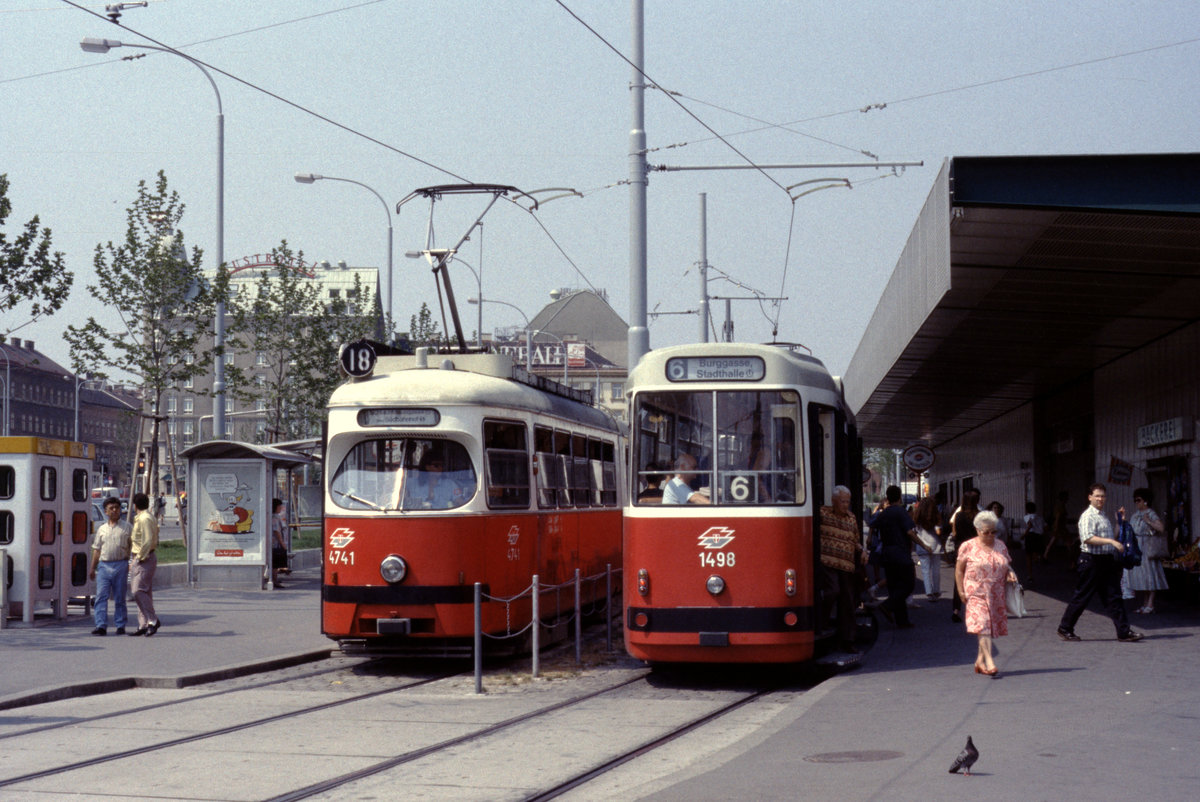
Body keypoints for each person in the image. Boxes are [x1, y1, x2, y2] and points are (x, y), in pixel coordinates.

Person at [1057, 483, 1143, 643]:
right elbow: (1088, 538)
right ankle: (1065, 628)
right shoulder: (1088, 516)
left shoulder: (1103, 516)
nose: (1100, 499)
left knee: (1114, 597)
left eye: (1103, 496)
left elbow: (1113, 536)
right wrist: (1111, 541)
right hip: (1091, 561)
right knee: (1082, 597)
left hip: (1106, 561)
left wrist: (1119, 522)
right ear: (1090, 497)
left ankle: (1124, 632)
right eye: (1097, 496)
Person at [954, 510, 1017, 676]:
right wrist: (960, 590)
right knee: (982, 624)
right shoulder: (967, 546)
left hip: (996, 593)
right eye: (986, 532)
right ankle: (990, 661)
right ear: (977, 530)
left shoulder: (1000, 545)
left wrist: (1010, 573)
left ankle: (979, 661)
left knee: (988, 627)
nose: (990, 535)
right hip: (975, 592)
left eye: (993, 532)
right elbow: (959, 570)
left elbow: (1006, 565)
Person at [867, 485, 920, 628]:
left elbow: (872, 523)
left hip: (887, 554)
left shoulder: (883, 513)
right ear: (900, 497)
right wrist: (924, 545)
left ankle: (902, 621)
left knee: (894, 586)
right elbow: (909, 532)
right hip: (901, 553)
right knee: (908, 584)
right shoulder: (901, 512)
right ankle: (887, 606)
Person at [820, 485, 863, 653]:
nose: (846, 505)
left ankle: (847, 640)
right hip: (828, 563)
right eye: (842, 501)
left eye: (847, 502)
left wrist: (863, 550)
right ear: (834, 501)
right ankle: (822, 622)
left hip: (846, 565)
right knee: (832, 591)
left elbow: (855, 540)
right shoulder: (823, 513)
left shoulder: (851, 518)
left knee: (848, 602)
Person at [88, 496, 132, 636]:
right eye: (111, 508)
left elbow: (133, 547)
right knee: (101, 596)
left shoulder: (127, 527)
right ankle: (101, 625)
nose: (114, 511)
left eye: (117, 508)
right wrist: (92, 568)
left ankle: (120, 625)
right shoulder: (101, 529)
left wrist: (131, 563)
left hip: (121, 565)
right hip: (104, 566)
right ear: (106, 511)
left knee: (120, 597)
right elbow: (97, 550)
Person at [1125, 488, 1168, 614]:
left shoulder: (1150, 513)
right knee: (1142, 576)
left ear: (1146, 501)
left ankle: (1150, 603)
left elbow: (1161, 528)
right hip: (1138, 546)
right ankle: (1145, 603)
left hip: (1148, 547)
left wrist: (1148, 521)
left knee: (1150, 574)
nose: (1136, 503)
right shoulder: (1135, 515)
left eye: (1139, 500)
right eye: (1135, 500)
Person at [127, 492, 161, 637]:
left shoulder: (145, 519)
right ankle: (144, 624)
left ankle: (153, 619)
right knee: (144, 592)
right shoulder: (143, 518)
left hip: (144, 558)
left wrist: (139, 558)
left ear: (135, 505)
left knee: (137, 591)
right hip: (141, 557)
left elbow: (147, 540)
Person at [950, 489, 981, 623]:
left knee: (959, 580)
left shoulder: (959, 516)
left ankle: (956, 611)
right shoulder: (979, 516)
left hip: (962, 549)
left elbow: (955, 534)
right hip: (977, 550)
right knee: (977, 580)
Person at [912, 494, 944, 600]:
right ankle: (936, 590)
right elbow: (939, 531)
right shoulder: (936, 517)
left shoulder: (917, 517)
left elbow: (914, 532)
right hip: (935, 546)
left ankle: (928, 592)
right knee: (936, 570)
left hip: (922, 546)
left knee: (925, 570)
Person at [1021, 501, 1046, 586]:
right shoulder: (1040, 517)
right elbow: (1045, 526)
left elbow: (1030, 525)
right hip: (1039, 536)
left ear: (1027, 509)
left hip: (1030, 536)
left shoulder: (1027, 517)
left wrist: (1024, 535)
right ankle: (1037, 558)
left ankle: (1030, 575)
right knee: (1036, 552)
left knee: (1028, 556)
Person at [271, 498, 289, 588]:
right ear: (275, 507)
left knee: (276, 563)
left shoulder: (276, 516)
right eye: (279, 506)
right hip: (275, 544)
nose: (281, 508)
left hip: (277, 543)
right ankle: (274, 580)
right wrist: (282, 544)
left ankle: (275, 579)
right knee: (275, 564)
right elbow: (276, 531)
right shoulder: (274, 517)